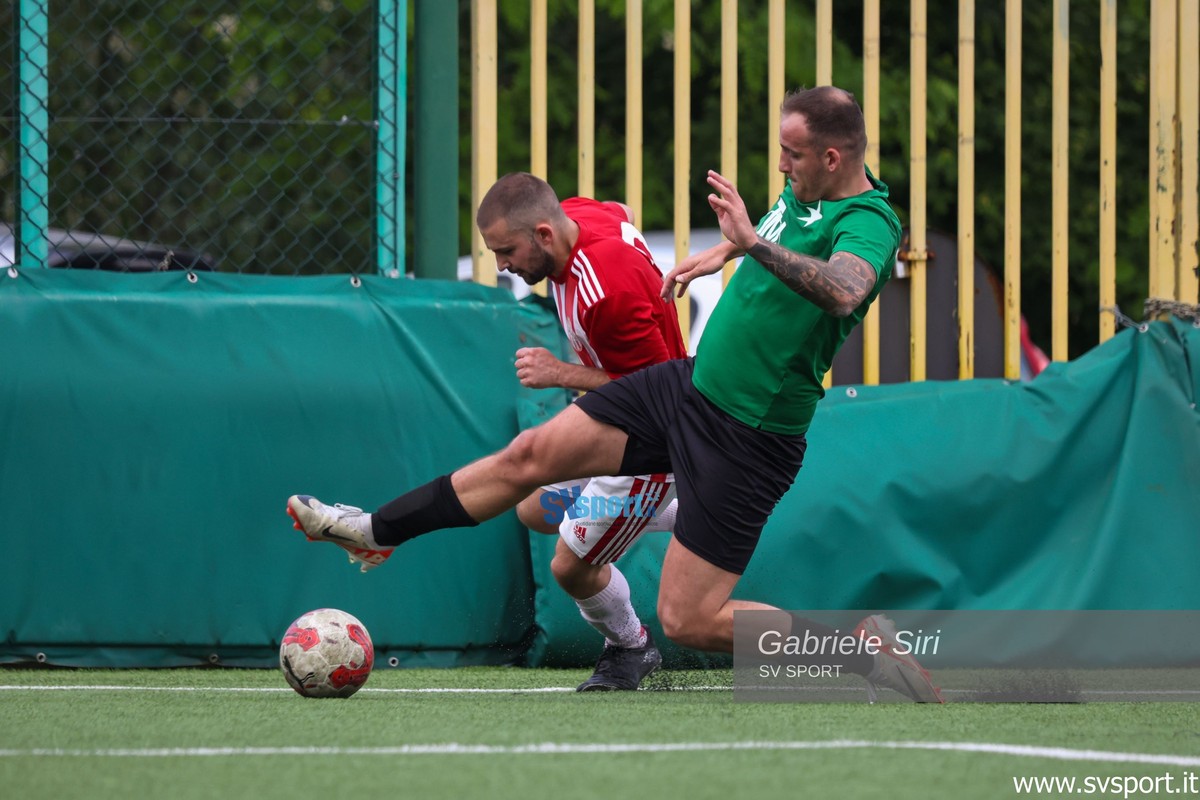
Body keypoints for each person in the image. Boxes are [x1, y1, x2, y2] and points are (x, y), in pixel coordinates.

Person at [288, 86, 942, 702]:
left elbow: (844, 290)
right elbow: (778, 238)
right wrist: (727, 253)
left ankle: (858, 652)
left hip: (747, 434)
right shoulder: (805, 191)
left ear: (832, 158)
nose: (780, 164)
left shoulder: (870, 221)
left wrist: (750, 243)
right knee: (528, 461)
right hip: (689, 387)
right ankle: (374, 530)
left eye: (791, 153)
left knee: (688, 619)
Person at [297, 172, 688, 691]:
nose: (502, 265)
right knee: (534, 505)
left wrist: (562, 373)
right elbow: (620, 212)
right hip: (633, 423)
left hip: (655, 443)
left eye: (507, 251)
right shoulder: (578, 218)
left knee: (580, 570)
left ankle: (635, 645)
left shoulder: (606, 294)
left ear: (545, 234)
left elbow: (662, 392)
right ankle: (683, 511)